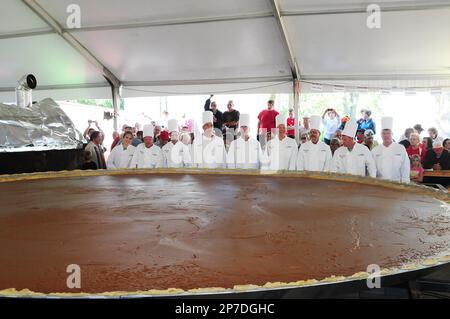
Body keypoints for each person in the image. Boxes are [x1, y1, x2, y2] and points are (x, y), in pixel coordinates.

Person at [372, 117, 410, 183]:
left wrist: (405, 183)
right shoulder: (375, 150)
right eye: (383, 133)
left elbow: (405, 167)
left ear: (392, 134)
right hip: (380, 184)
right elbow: (372, 169)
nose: (386, 135)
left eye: (388, 133)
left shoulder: (400, 148)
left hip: (396, 184)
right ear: (381, 135)